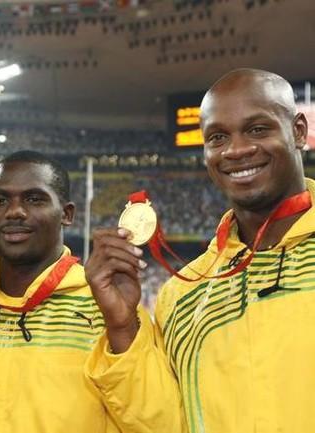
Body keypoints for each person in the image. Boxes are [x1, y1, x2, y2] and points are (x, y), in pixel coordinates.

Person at [85, 68, 314, 433]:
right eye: (218, 137)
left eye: (258, 129)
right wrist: (123, 327)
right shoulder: (183, 295)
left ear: (298, 132)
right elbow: (168, 425)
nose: (237, 150)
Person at [0, 150, 167, 432]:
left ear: (66, 214)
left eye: (34, 199)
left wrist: (122, 327)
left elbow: (161, 425)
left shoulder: (105, 305)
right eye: (1, 200)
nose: (14, 211)